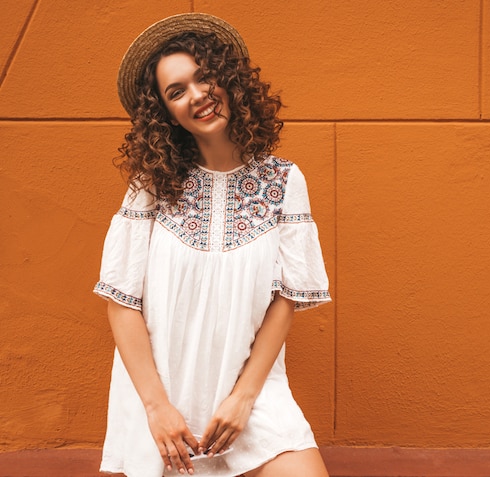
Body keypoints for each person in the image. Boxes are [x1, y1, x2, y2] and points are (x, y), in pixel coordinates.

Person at [94, 13, 331, 477]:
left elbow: (287, 297)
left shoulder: (283, 181)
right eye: (176, 91)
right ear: (165, 113)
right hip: (159, 404)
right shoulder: (152, 186)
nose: (197, 95)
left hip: (250, 397)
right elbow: (121, 303)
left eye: (204, 77)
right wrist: (156, 407)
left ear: (229, 80)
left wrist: (244, 398)